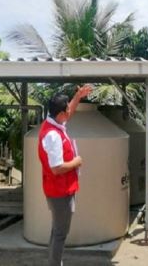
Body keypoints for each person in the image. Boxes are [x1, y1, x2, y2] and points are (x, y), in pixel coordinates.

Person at [38, 85, 92, 266]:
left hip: (61, 189)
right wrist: (77, 162)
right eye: (67, 108)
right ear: (60, 113)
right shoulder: (53, 135)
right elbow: (57, 167)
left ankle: (54, 262)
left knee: (57, 229)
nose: (70, 110)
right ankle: (55, 263)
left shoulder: (54, 123)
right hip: (59, 191)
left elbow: (69, 112)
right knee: (60, 233)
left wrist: (78, 96)